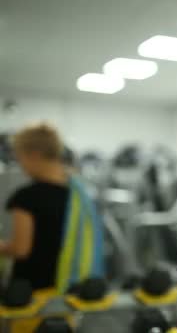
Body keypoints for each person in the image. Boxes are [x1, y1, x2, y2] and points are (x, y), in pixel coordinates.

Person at [3, 123, 104, 292]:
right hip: (68, 288)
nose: (21, 165)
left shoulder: (27, 196)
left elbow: (20, 249)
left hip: (31, 292)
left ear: (33, 155)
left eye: (19, 158)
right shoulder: (78, 195)